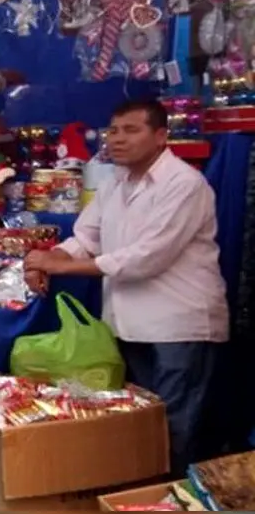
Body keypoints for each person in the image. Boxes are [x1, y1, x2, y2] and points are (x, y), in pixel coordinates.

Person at [24, 99, 228, 478]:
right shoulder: (114, 183)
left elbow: (147, 257)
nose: (117, 139)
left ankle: (168, 502)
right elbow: (85, 237)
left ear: (161, 136)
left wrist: (63, 266)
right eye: (113, 131)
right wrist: (48, 257)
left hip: (179, 325)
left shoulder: (185, 184)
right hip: (129, 323)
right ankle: (136, 499)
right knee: (138, 423)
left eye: (131, 130)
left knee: (173, 430)